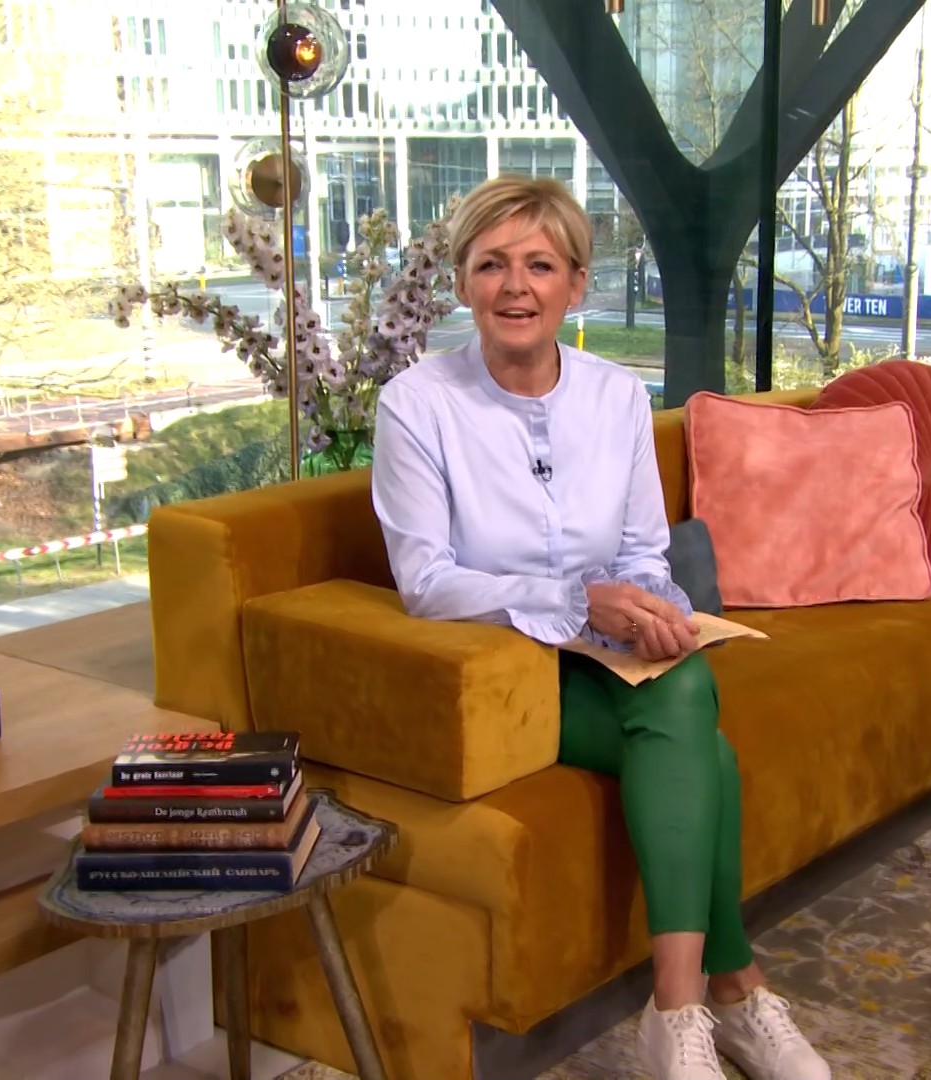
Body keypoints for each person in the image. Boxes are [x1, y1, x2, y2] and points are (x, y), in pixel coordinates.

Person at [370, 175, 831, 1080]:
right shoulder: (416, 406)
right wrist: (579, 602)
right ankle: (726, 990)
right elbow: (425, 583)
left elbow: (642, 551)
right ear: (462, 282)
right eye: (491, 265)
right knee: (701, 744)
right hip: (504, 675)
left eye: (539, 265)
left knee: (684, 685)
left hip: (606, 657)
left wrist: (652, 610)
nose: (515, 286)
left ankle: (683, 1008)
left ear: (575, 285)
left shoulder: (616, 396)